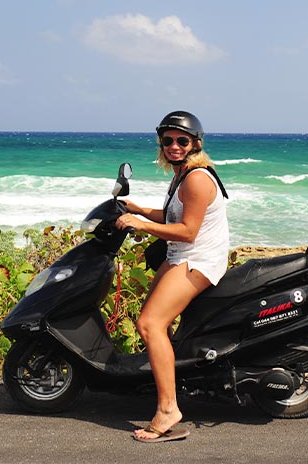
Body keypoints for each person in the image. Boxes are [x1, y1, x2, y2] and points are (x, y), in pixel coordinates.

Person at [115, 111, 229, 443]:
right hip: (181, 255)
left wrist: (143, 225)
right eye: (168, 141)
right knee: (151, 322)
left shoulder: (196, 178)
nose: (174, 146)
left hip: (198, 259)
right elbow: (171, 214)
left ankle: (169, 410)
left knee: (150, 324)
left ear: (196, 143)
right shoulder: (182, 175)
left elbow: (188, 230)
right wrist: (135, 209)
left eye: (182, 140)